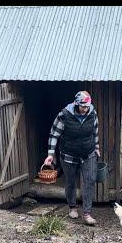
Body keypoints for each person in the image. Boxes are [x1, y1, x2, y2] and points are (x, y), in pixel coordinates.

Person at [43, 91, 100, 225]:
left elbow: (95, 130)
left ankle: (87, 213)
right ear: (76, 104)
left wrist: (96, 146)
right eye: (82, 106)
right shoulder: (65, 114)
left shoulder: (92, 113)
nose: (85, 109)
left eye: (87, 106)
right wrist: (50, 154)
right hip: (68, 154)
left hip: (88, 153)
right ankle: (72, 207)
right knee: (71, 182)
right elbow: (54, 134)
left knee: (90, 180)